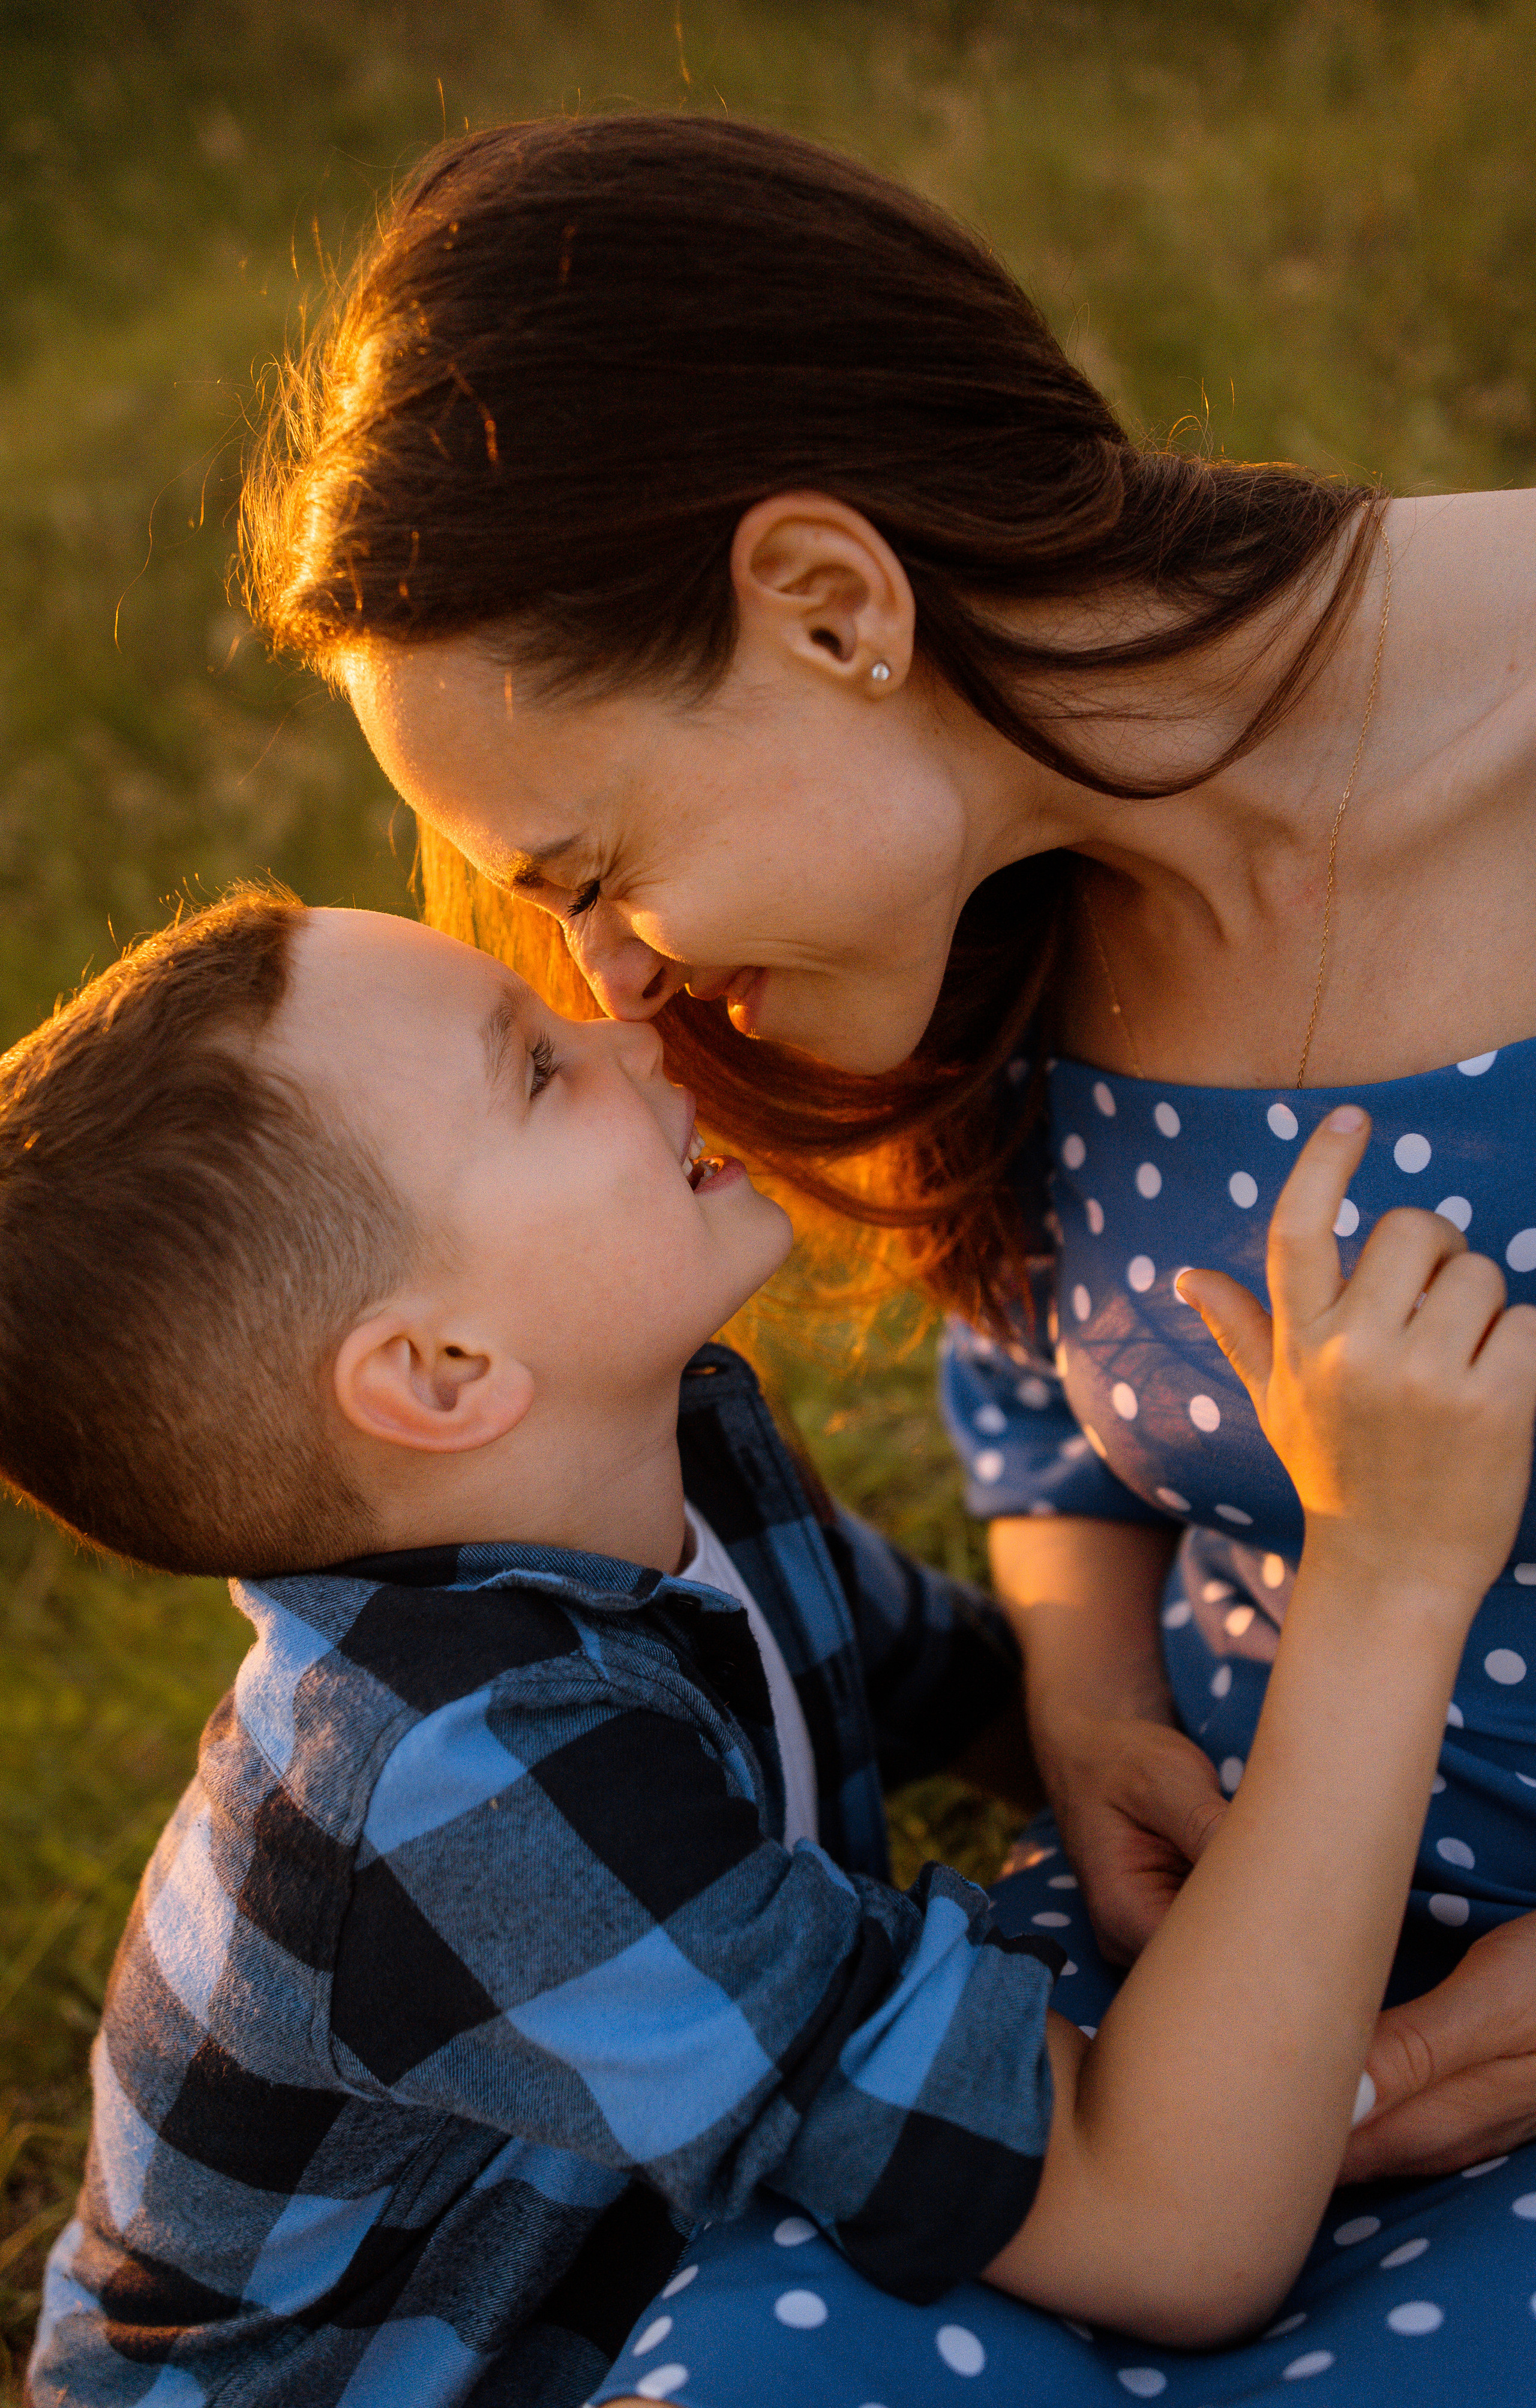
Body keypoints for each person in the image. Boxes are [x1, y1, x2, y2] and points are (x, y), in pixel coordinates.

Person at [241, 113, 1536, 2400]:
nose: (606, 982)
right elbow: (1038, 1375)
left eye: (592, 860)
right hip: (1214, 1981)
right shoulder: (1011, 917)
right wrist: (1091, 1688)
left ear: (834, 605)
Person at [17, 893, 1535, 2406]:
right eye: (540, 1069)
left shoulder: (664, 1457)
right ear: (442, 1373)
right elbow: (1166, 2228)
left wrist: (1130, 1752)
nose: (627, 1027)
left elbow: (966, 1697)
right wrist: (1383, 1568)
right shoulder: (468, 1782)